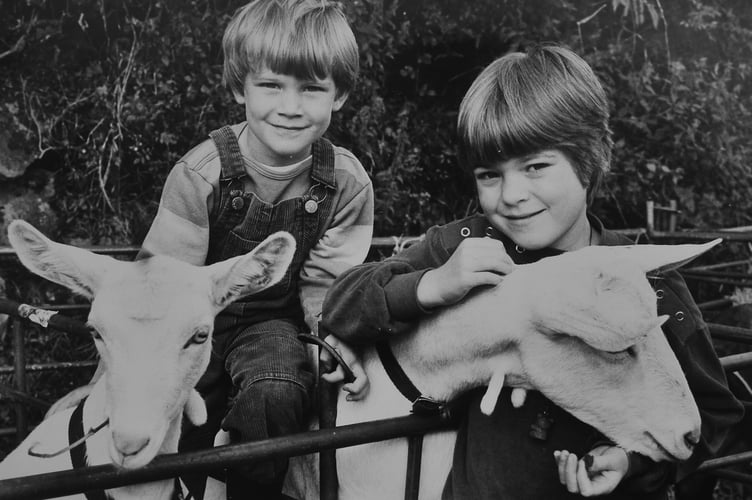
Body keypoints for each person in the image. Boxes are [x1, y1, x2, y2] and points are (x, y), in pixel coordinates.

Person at [320, 44, 743, 499]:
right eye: (489, 174)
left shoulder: (644, 282)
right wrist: (431, 285)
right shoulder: (468, 247)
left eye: (536, 166)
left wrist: (631, 461)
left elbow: (714, 414)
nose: (512, 195)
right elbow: (342, 302)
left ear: (590, 159)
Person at [137, 1, 374, 498]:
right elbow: (164, 283)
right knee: (172, 406)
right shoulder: (201, 174)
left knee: (278, 389)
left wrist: (331, 343)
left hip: (272, 324)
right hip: (191, 321)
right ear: (239, 87)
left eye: (311, 88)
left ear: (340, 95)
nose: (290, 106)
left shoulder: (346, 183)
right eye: (270, 85)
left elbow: (325, 286)